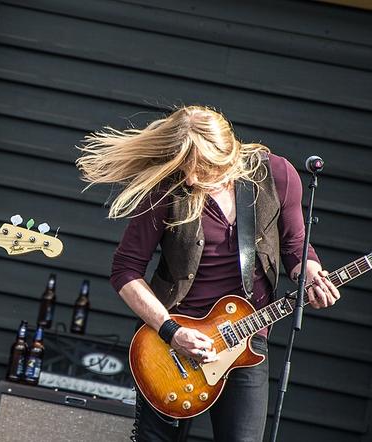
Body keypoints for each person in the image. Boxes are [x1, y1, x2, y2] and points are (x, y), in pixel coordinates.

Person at [77, 105, 340, 442]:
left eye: (199, 169)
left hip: (247, 341)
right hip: (172, 348)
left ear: (226, 155)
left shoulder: (276, 175)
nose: (189, 179)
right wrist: (171, 330)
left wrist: (312, 275)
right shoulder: (167, 186)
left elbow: (295, 246)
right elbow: (125, 270)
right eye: (184, 169)